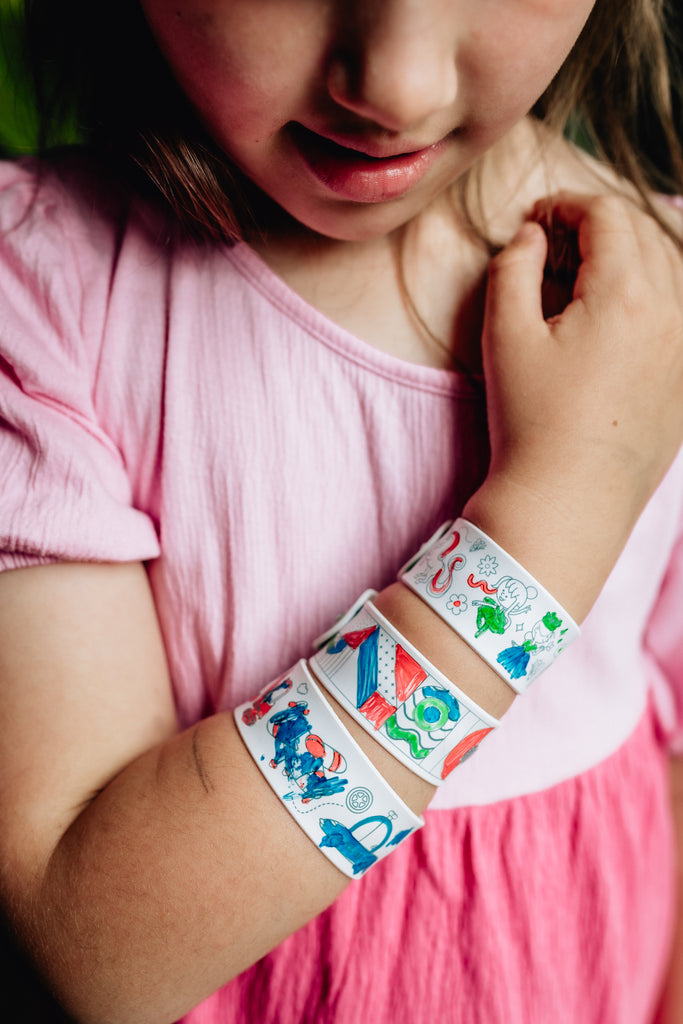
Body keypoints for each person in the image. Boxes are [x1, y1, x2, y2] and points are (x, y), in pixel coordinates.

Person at [1, 1, 683, 1022]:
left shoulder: (658, 290)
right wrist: (554, 514)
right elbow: (96, 954)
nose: (397, 87)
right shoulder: (43, 291)